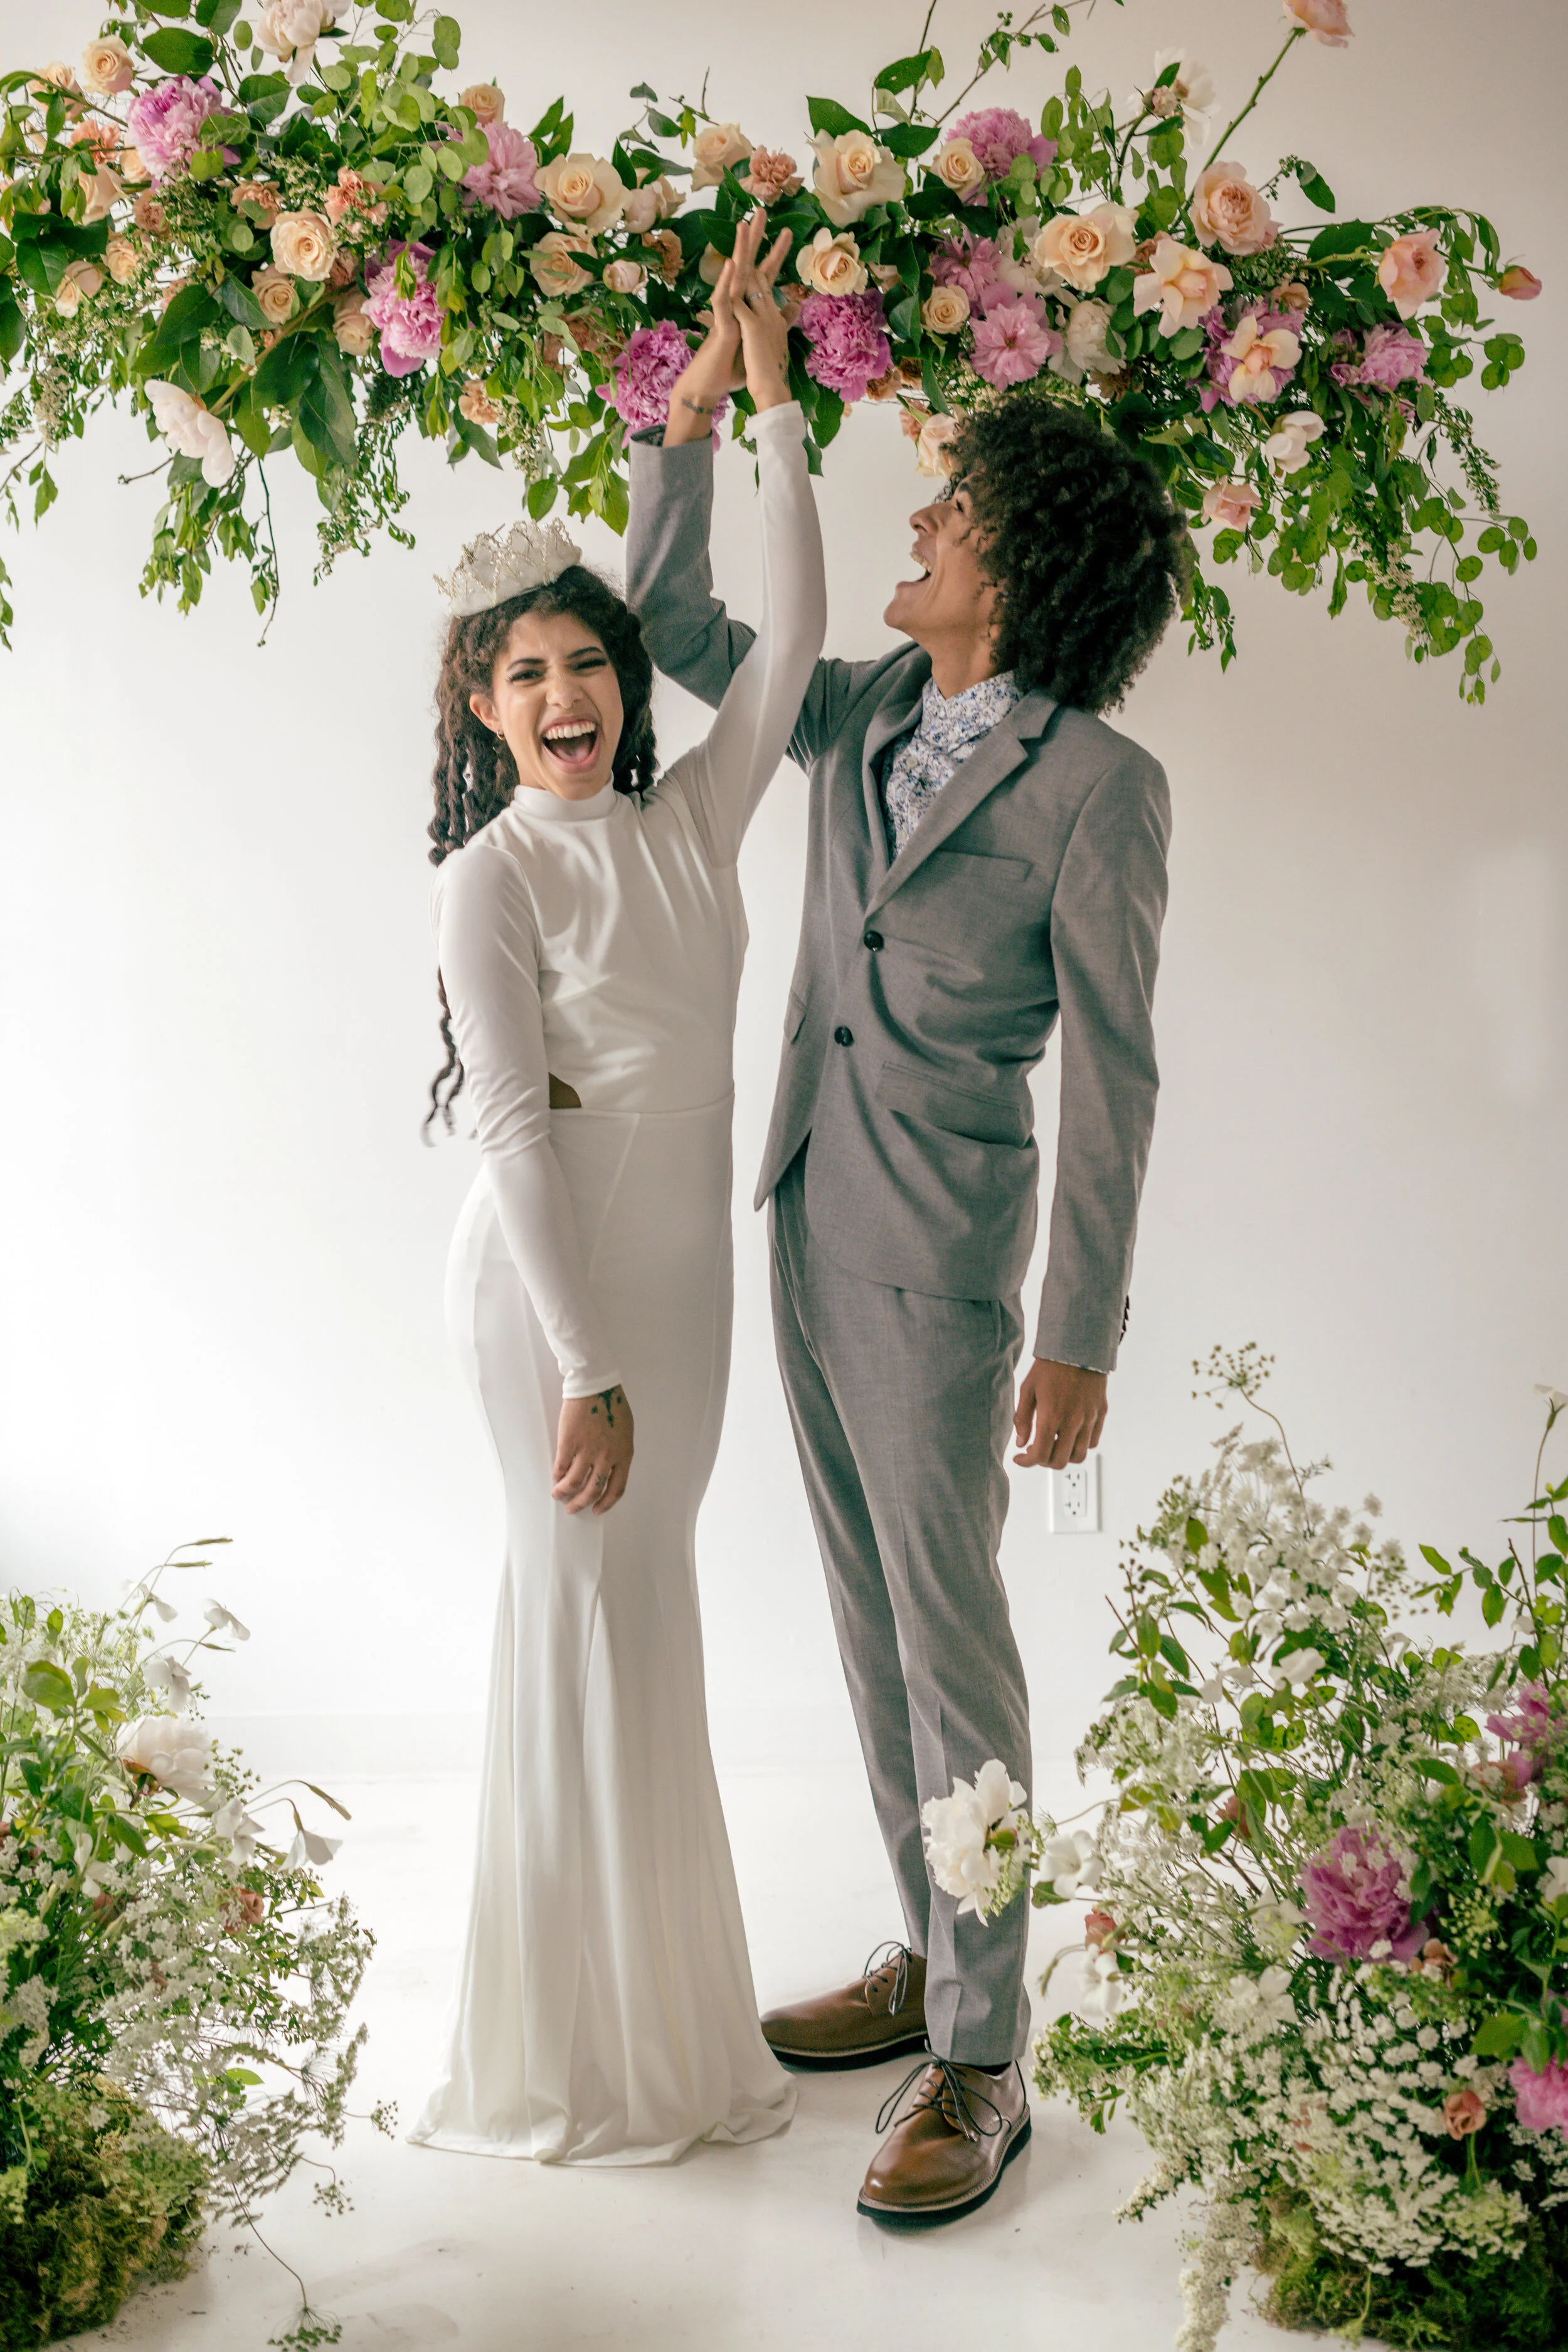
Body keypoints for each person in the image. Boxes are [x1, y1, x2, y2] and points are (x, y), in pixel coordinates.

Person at [625, 376, 1189, 2218]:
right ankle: (926, 1949)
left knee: (953, 1650)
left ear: (1016, 567)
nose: (920, 520)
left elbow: (1116, 1068)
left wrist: (1078, 1329)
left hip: (944, 1259)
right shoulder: (861, 705)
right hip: (793, 1205)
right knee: (870, 1628)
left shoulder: (1101, 789)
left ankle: (982, 2052)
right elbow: (680, 630)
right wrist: (680, 430)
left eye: (952, 512)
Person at [408, 215, 824, 2166]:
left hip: (687, 1285)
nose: (562, 692)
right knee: (568, 1594)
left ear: (623, 684)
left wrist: (773, 415)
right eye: (524, 673)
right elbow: (507, 1125)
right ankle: (564, 2054)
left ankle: (666, 2033)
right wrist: (580, 1365)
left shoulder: (697, 816)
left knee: (646, 1603)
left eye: (586, 662)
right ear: (480, 708)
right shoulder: (486, 879)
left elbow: (803, 638)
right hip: (554, 1292)